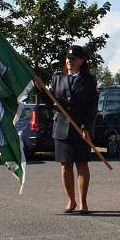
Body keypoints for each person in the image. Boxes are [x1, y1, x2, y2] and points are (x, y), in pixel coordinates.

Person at [48, 45, 99, 214]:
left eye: (74, 58)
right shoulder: (58, 78)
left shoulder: (89, 81)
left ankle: (83, 202)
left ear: (81, 61)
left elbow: (92, 107)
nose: (70, 61)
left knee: (82, 165)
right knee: (65, 166)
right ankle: (71, 201)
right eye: (68, 58)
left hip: (80, 129)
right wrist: (40, 88)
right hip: (62, 128)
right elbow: (50, 100)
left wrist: (86, 127)